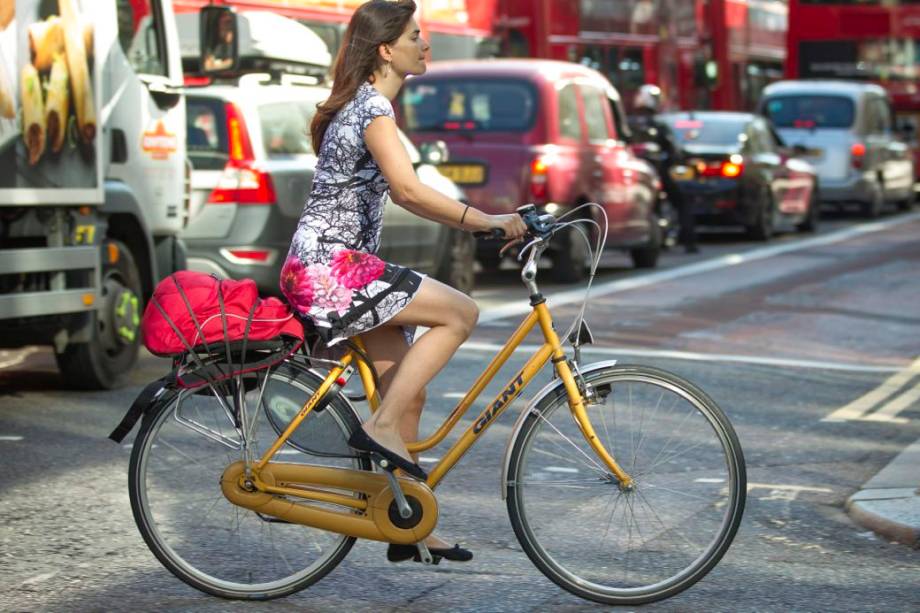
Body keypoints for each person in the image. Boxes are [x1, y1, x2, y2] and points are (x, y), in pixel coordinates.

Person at [279, 0, 527, 564]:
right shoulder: (371, 109)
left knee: (408, 394)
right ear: (387, 48)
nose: (427, 43)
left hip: (332, 269)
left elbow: (397, 192)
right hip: (328, 269)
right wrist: (487, 220)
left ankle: (408, 519)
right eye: (418, 35)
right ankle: (380, 426)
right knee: (460, 312)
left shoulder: (368, 106)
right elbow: (410, 191)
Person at [629, 84, 699, 254]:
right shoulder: (659, 125)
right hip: (658, 173)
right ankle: (689, 241)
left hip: (636, 175)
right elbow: (673, 150)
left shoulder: (629, 123)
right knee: (682, 202)